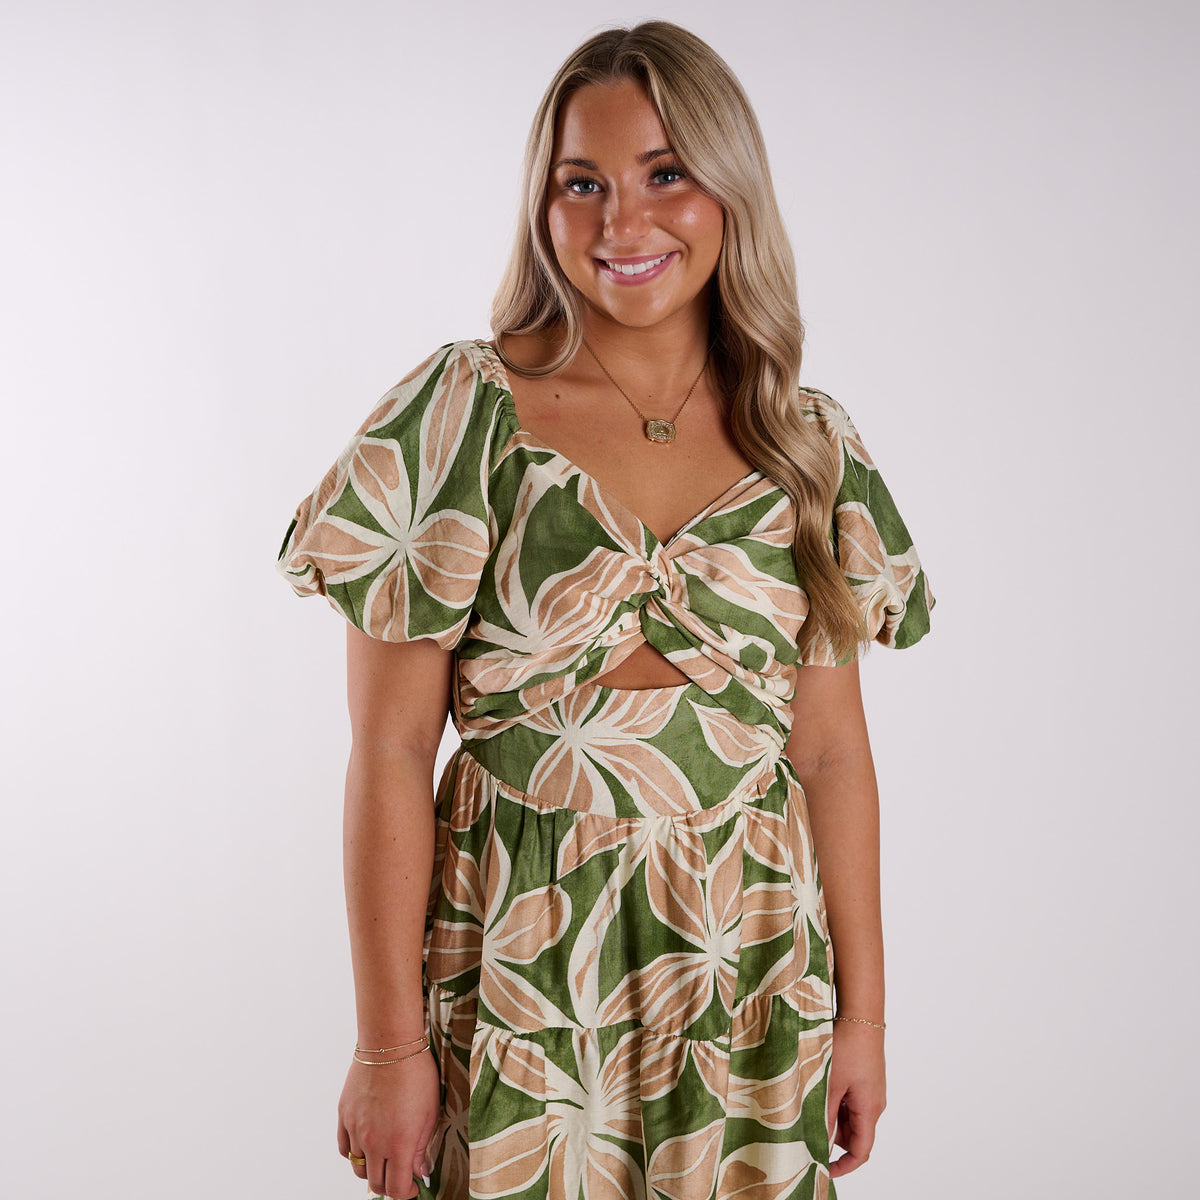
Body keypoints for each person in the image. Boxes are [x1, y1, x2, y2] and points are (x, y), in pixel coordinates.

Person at [277, 20, 932, 1200]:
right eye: (583, 184)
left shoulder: (805, 443)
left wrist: (867, 1021)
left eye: (664, 174)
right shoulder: (465, 414)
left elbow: (831, 751)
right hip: (520, 965)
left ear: (731, 188)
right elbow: (386, 751)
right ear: (544, 204)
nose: (622, 225)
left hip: (747, 978)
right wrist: (388, 1047)